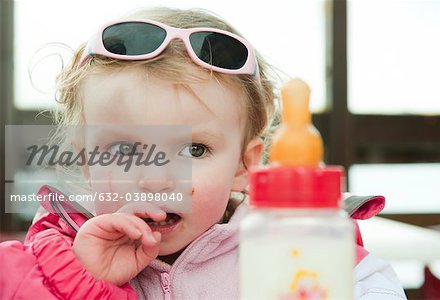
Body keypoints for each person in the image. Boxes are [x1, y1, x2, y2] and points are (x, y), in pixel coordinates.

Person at [0, 7, 407, 299]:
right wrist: (78, 281)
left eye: (194, 149)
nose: (156, 178)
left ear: (244, 167)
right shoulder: (52, 260)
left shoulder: (295, 250)